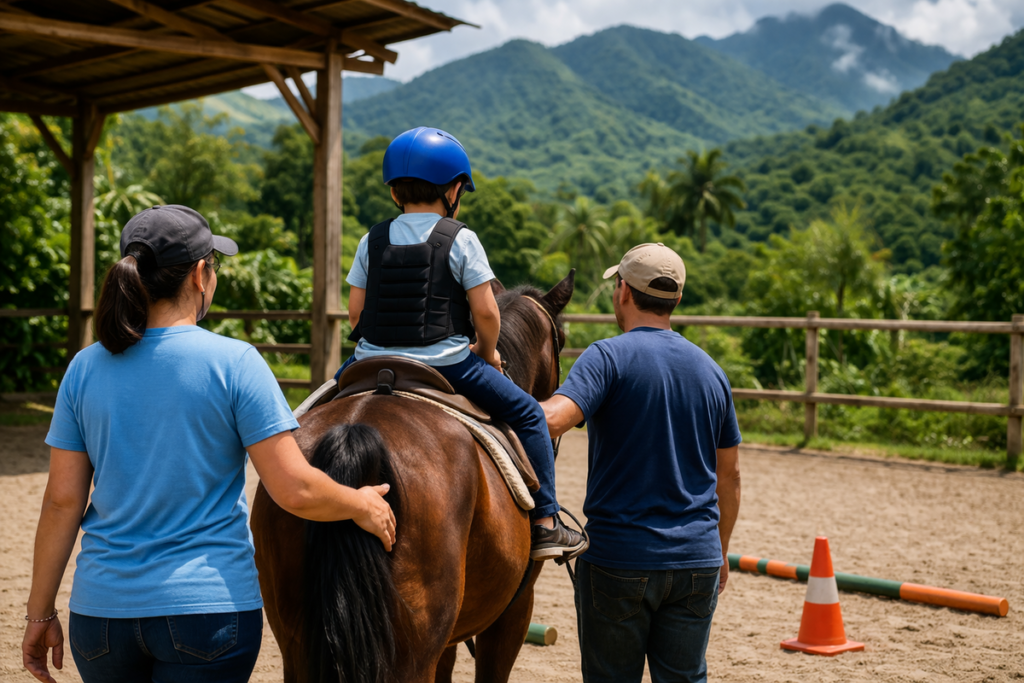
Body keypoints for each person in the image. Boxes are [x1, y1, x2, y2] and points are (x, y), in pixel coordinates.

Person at [22, 205, 396, 683]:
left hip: (101, 620)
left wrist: (39, 615)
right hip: (207, 614)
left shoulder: (84, 368)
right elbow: (294, 489)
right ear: (201, 275)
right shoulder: (235, 362)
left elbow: (62, 501)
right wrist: (359, 503)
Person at [339, 126, 586, 560]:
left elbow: (355, 314)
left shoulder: (371, 239)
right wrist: (488, 353)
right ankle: (547, 521)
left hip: (371, 360)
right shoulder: (461, 238)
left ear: (395, 192)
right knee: (529, 415)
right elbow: (488, 313)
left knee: (310, 411)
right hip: (447, 363)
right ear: (454, 190)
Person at [540, 243, 742, 683]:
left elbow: (553, 420)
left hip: (619, 558)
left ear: (623, 293)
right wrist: (720, 551)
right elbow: (730, 477)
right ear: (677, 300)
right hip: (698, 560)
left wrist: (486, 386)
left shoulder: (606, 357)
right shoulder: (712, 372)